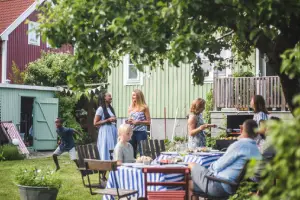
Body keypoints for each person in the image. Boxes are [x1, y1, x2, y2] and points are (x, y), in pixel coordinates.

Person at [189, 119, 261, 198]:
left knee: (191, 168)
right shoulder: (257, 151)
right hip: (233, 187)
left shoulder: (239, 145)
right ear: (256, 133)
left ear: (242, 129)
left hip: (220, 185)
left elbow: (218, 166)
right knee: (192, 179)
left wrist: (209, 169)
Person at [127, 89, 151, 158]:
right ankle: (131, 166)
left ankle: (143, 167)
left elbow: (149, 122)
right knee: (131, 152)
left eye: (134, 95)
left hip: (141, 132)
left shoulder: (144, 107)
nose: (132, 97)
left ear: (139, 96)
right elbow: (130, 119)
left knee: (143, 152)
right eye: (132, 95)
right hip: (131, 132)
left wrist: (138, 122)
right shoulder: (130, 107)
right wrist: (129, 121)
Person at [94, 92, 118, 160]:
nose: (111, 98)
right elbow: (95, 123)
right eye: (109, 96)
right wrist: (108, 120)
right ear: (104, 98)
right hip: (105, 131)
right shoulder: (100, 109)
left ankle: (113, 163)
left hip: (112, 131)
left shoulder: (110, 108)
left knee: (113, 147)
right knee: (107, 147)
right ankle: (105, 163)